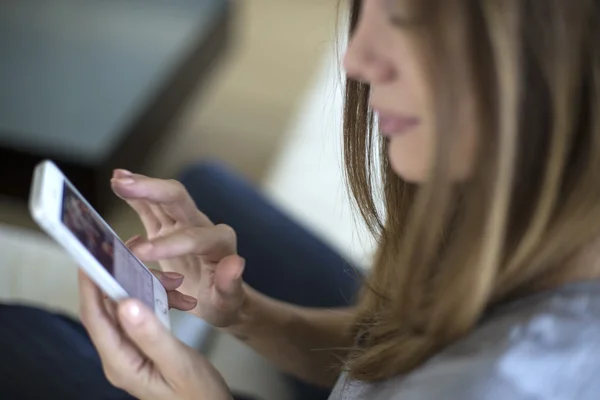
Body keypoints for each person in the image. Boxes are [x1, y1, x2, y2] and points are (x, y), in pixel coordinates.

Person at [3, 0, 600, 399]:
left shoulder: (505, 380)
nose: (356, 60)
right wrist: (244, 315)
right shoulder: (515, 204)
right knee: (210, 182)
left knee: (21, 338)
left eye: (409, 19)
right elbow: (391, 345)